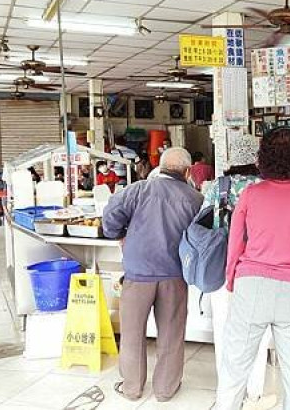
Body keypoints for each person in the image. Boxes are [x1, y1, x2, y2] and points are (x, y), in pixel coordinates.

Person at [215, 127, 290, 410]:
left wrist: (231, 282)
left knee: (235, 368)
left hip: (251, 285)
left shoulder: (250, 194)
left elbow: (235, 244)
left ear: (264, 158)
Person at [103, 148, 202, 403]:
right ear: (188, 171)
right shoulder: (195, 199)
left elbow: (111, 213)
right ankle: (165, 389)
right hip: (174, 275)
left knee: (132, 333)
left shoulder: (139, 189)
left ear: (159, 166)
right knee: (171, 333)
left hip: (138, 274)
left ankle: (132, 388)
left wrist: (118, 234)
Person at [204, 136, 275, 409]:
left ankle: (227, 391)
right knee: (256, 334)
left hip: (220, 267)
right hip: (256, 269)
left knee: (224, 330)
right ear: (257, 160)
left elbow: (203, 222)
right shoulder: (266, 188)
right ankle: (254, 393)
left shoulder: (216, 187)